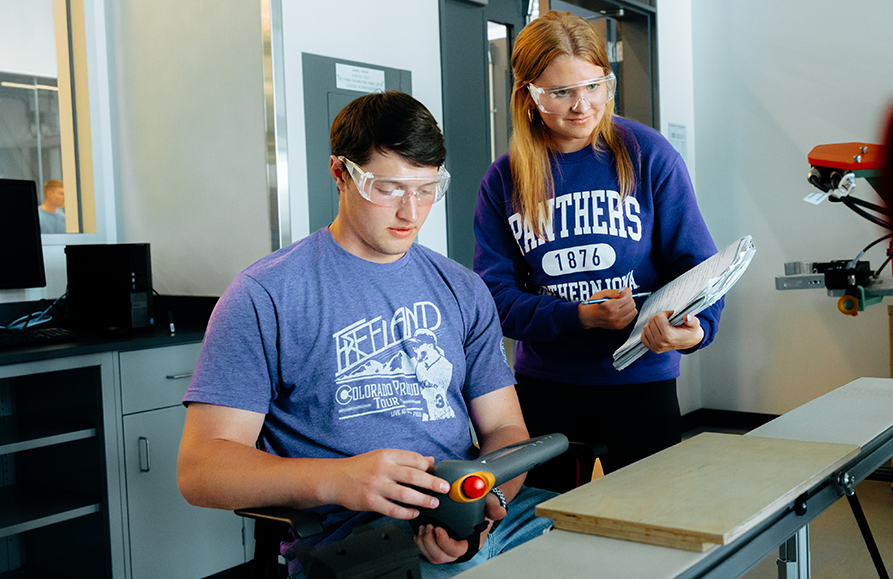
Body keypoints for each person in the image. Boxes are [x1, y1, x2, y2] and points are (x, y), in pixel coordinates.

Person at [177, 91, 556, 578]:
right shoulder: (265, 294)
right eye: (389, 188)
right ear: (340, 172)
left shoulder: (463, 289)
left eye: (425, 189)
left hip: (474, 513)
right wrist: (339, 480)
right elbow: (202, 469)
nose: (410, 212)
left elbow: (505, 428)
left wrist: (486, 500)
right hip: (359, 538)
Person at [472, 11, 725, 490]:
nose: (582, 106)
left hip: (639, 382)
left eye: (594, 86)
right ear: (529, 96)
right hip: (545, 388)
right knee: (544, 531)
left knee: (652, 526)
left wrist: (692, 332)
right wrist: (580, 318)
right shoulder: (504, 178)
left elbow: (698, 265)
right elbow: (494, 298)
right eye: (561, 92)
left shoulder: (647, 154)